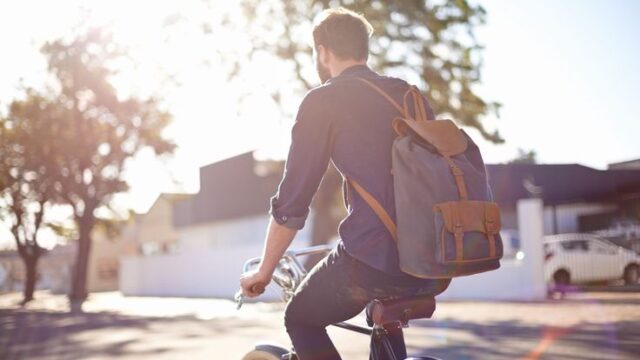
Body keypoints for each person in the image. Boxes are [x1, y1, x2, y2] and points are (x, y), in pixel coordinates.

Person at [240, 8, 451, 360]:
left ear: (322, 51)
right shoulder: (409, 94)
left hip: (373, 259)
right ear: (364, 49)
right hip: (432, 261)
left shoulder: (323, 101)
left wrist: (263, 271)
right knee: (383, 320)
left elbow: (292, 203)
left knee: (301, 318)